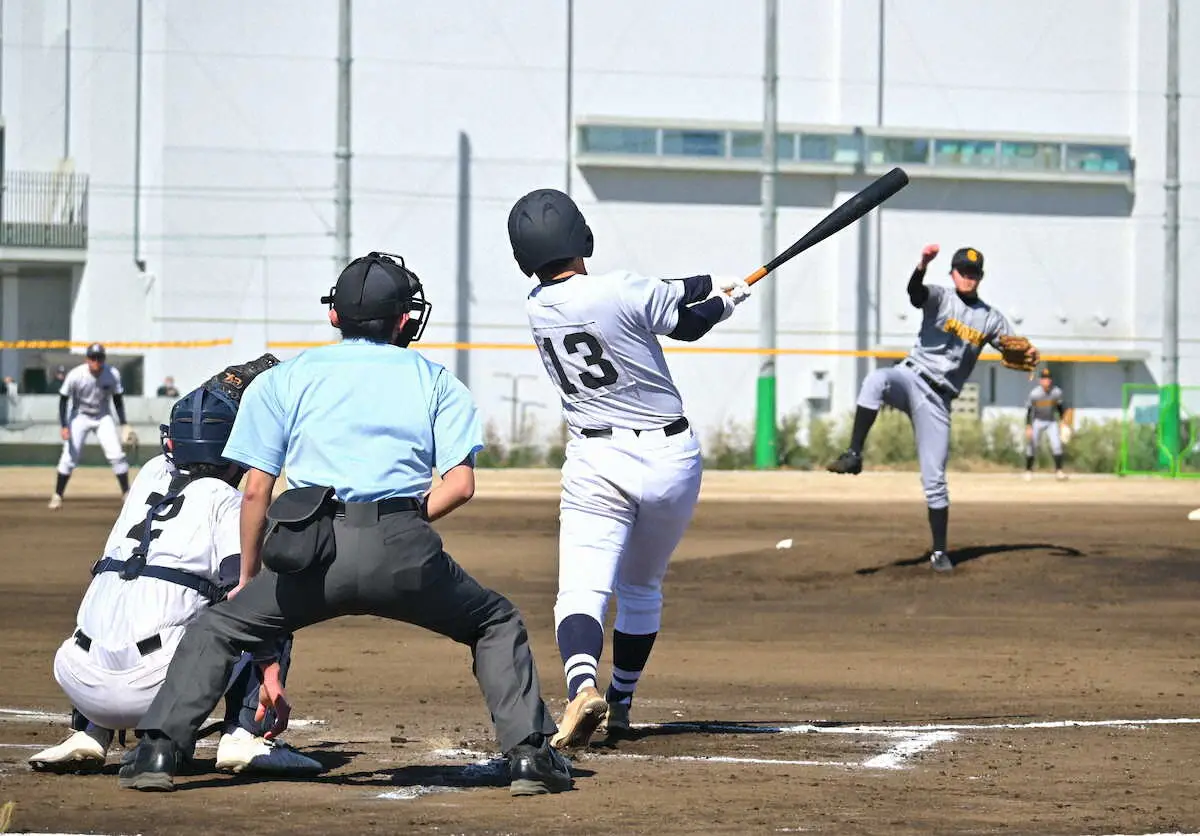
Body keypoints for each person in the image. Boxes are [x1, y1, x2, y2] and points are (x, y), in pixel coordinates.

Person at [118, 251, 571, 796]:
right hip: (405, 547)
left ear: (335, 316)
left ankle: (158, 753)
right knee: (494, 622)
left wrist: (248, 576)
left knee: (217, 629)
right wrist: (397, 522)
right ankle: (528, 759)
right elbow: (460, 485)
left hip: (309, 551)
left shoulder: (286, 378)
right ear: (405, 319)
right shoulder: (436, 380)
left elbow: (256, 489)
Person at [507, 188, 752, 749]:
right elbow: (688, 325)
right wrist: (726, 301)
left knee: (582, 589)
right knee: (641, 586)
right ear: (582, 238)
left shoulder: (536, 306)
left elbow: (663, 292)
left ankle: (581, 685)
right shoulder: (621, 288)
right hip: (671, 459)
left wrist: (711, 283)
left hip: (595, 459)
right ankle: (620, 701)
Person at [30, 361, 321, 778]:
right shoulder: (225, 500)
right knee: (267, 603)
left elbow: (197, 414)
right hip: (152, 690)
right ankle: (244, 736)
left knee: (125, 587)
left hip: (79, 678)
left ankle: (89, 733)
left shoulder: (147, 477)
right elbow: (246, 593)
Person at [826, 245, 1038, 572]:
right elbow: (915, 294)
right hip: (912, 375)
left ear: (980, 277)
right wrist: (921, 266)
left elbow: (1012, 347)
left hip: (939, 400)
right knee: (876, 381)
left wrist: (1022, 353)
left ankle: (939, 551)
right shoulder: (941, 297)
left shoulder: (991, 318)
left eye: (973, 273)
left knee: (935, 478)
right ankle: (853, 454)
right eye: (962, 271)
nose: (968, 277)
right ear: (952, 273)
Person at [50, 343, 135, 510]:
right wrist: (64, 425)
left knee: (117, 455)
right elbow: (63, 398)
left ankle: (126, 493)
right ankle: (57, 495)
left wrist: (123, 423)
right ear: (87, 359)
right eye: (93, 358)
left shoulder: (112, 374)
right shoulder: (76, 375)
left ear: (104, 359)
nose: (96, 361)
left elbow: (117, 399)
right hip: (80, 416)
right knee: (69, 456)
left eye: (100, 358)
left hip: (102, 416)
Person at [1024, 367, 1068, 481]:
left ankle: (1059, 471)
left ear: (1051, 380)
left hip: (1051, 421)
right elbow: (1029, 410)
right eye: (1044, 378)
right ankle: (1028, 471)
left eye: (1048, 378)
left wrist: (1063, 422)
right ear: (1040, 380)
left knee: (1057, 445)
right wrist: (1028, 426)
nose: (1046, 381)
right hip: (1037, 421)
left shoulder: (1056, 392)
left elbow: (1060, 408)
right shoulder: (1035, 393)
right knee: (1032, 445)